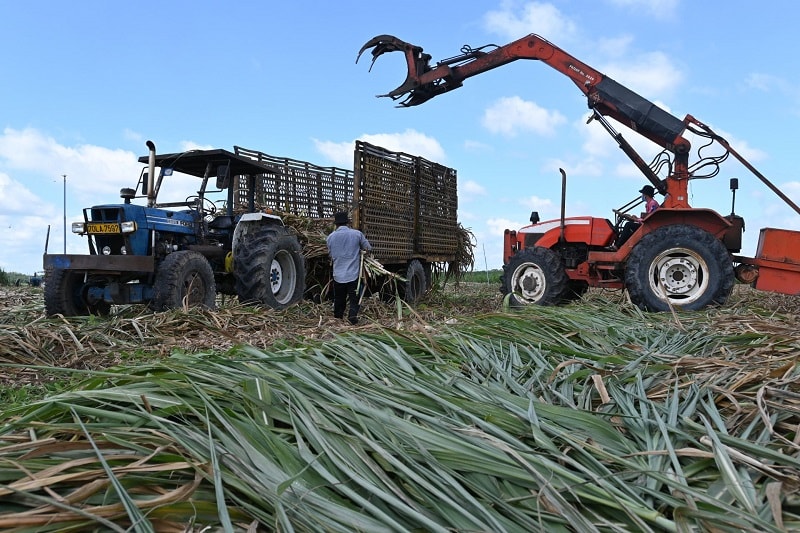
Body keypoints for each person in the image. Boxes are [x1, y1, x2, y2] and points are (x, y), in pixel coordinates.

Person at [326, 211, 372, 324]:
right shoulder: (357, 234)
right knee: (354, 298)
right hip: (353, 274)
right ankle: (352, 316)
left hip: (338, 275)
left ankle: (338, 318)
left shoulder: (330, 238)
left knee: (339, 298)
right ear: (347, 222)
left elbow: (331, 255)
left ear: (335, 224)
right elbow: (368, 248)